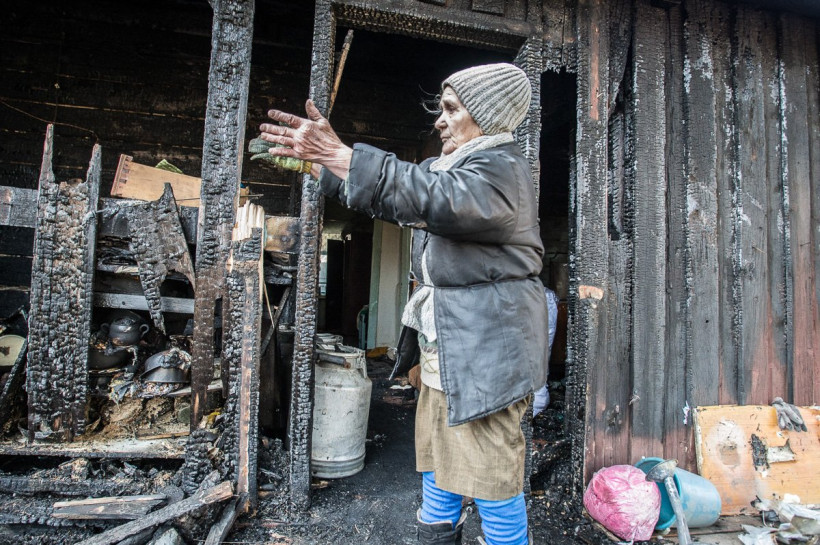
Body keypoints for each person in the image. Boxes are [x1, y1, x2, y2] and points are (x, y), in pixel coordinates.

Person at [259, 63, 549, 545]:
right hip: (452, 348)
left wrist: (342, 154)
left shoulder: (501, 171)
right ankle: (436, 532)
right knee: (437, 457)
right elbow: (404, 195)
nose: (440, 120)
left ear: (487, 115)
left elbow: (431, 197)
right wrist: (325, 166)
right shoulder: (461, 168)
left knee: (491, 476)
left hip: (487, 357)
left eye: (451, 109)